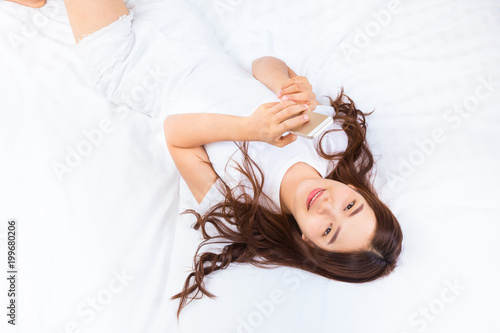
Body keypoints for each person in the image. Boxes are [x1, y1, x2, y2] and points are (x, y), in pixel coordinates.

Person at [55, 0, 402, 318]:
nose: (328, 206)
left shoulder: (245, 212)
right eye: (351, 206)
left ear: (311, 244)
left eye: (329, 230)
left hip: (134, 65)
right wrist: (292, 85)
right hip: (184, 28)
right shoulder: (327, 142)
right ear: (363, 195)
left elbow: (175, 134)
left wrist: (250, 128)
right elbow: (261, 66)